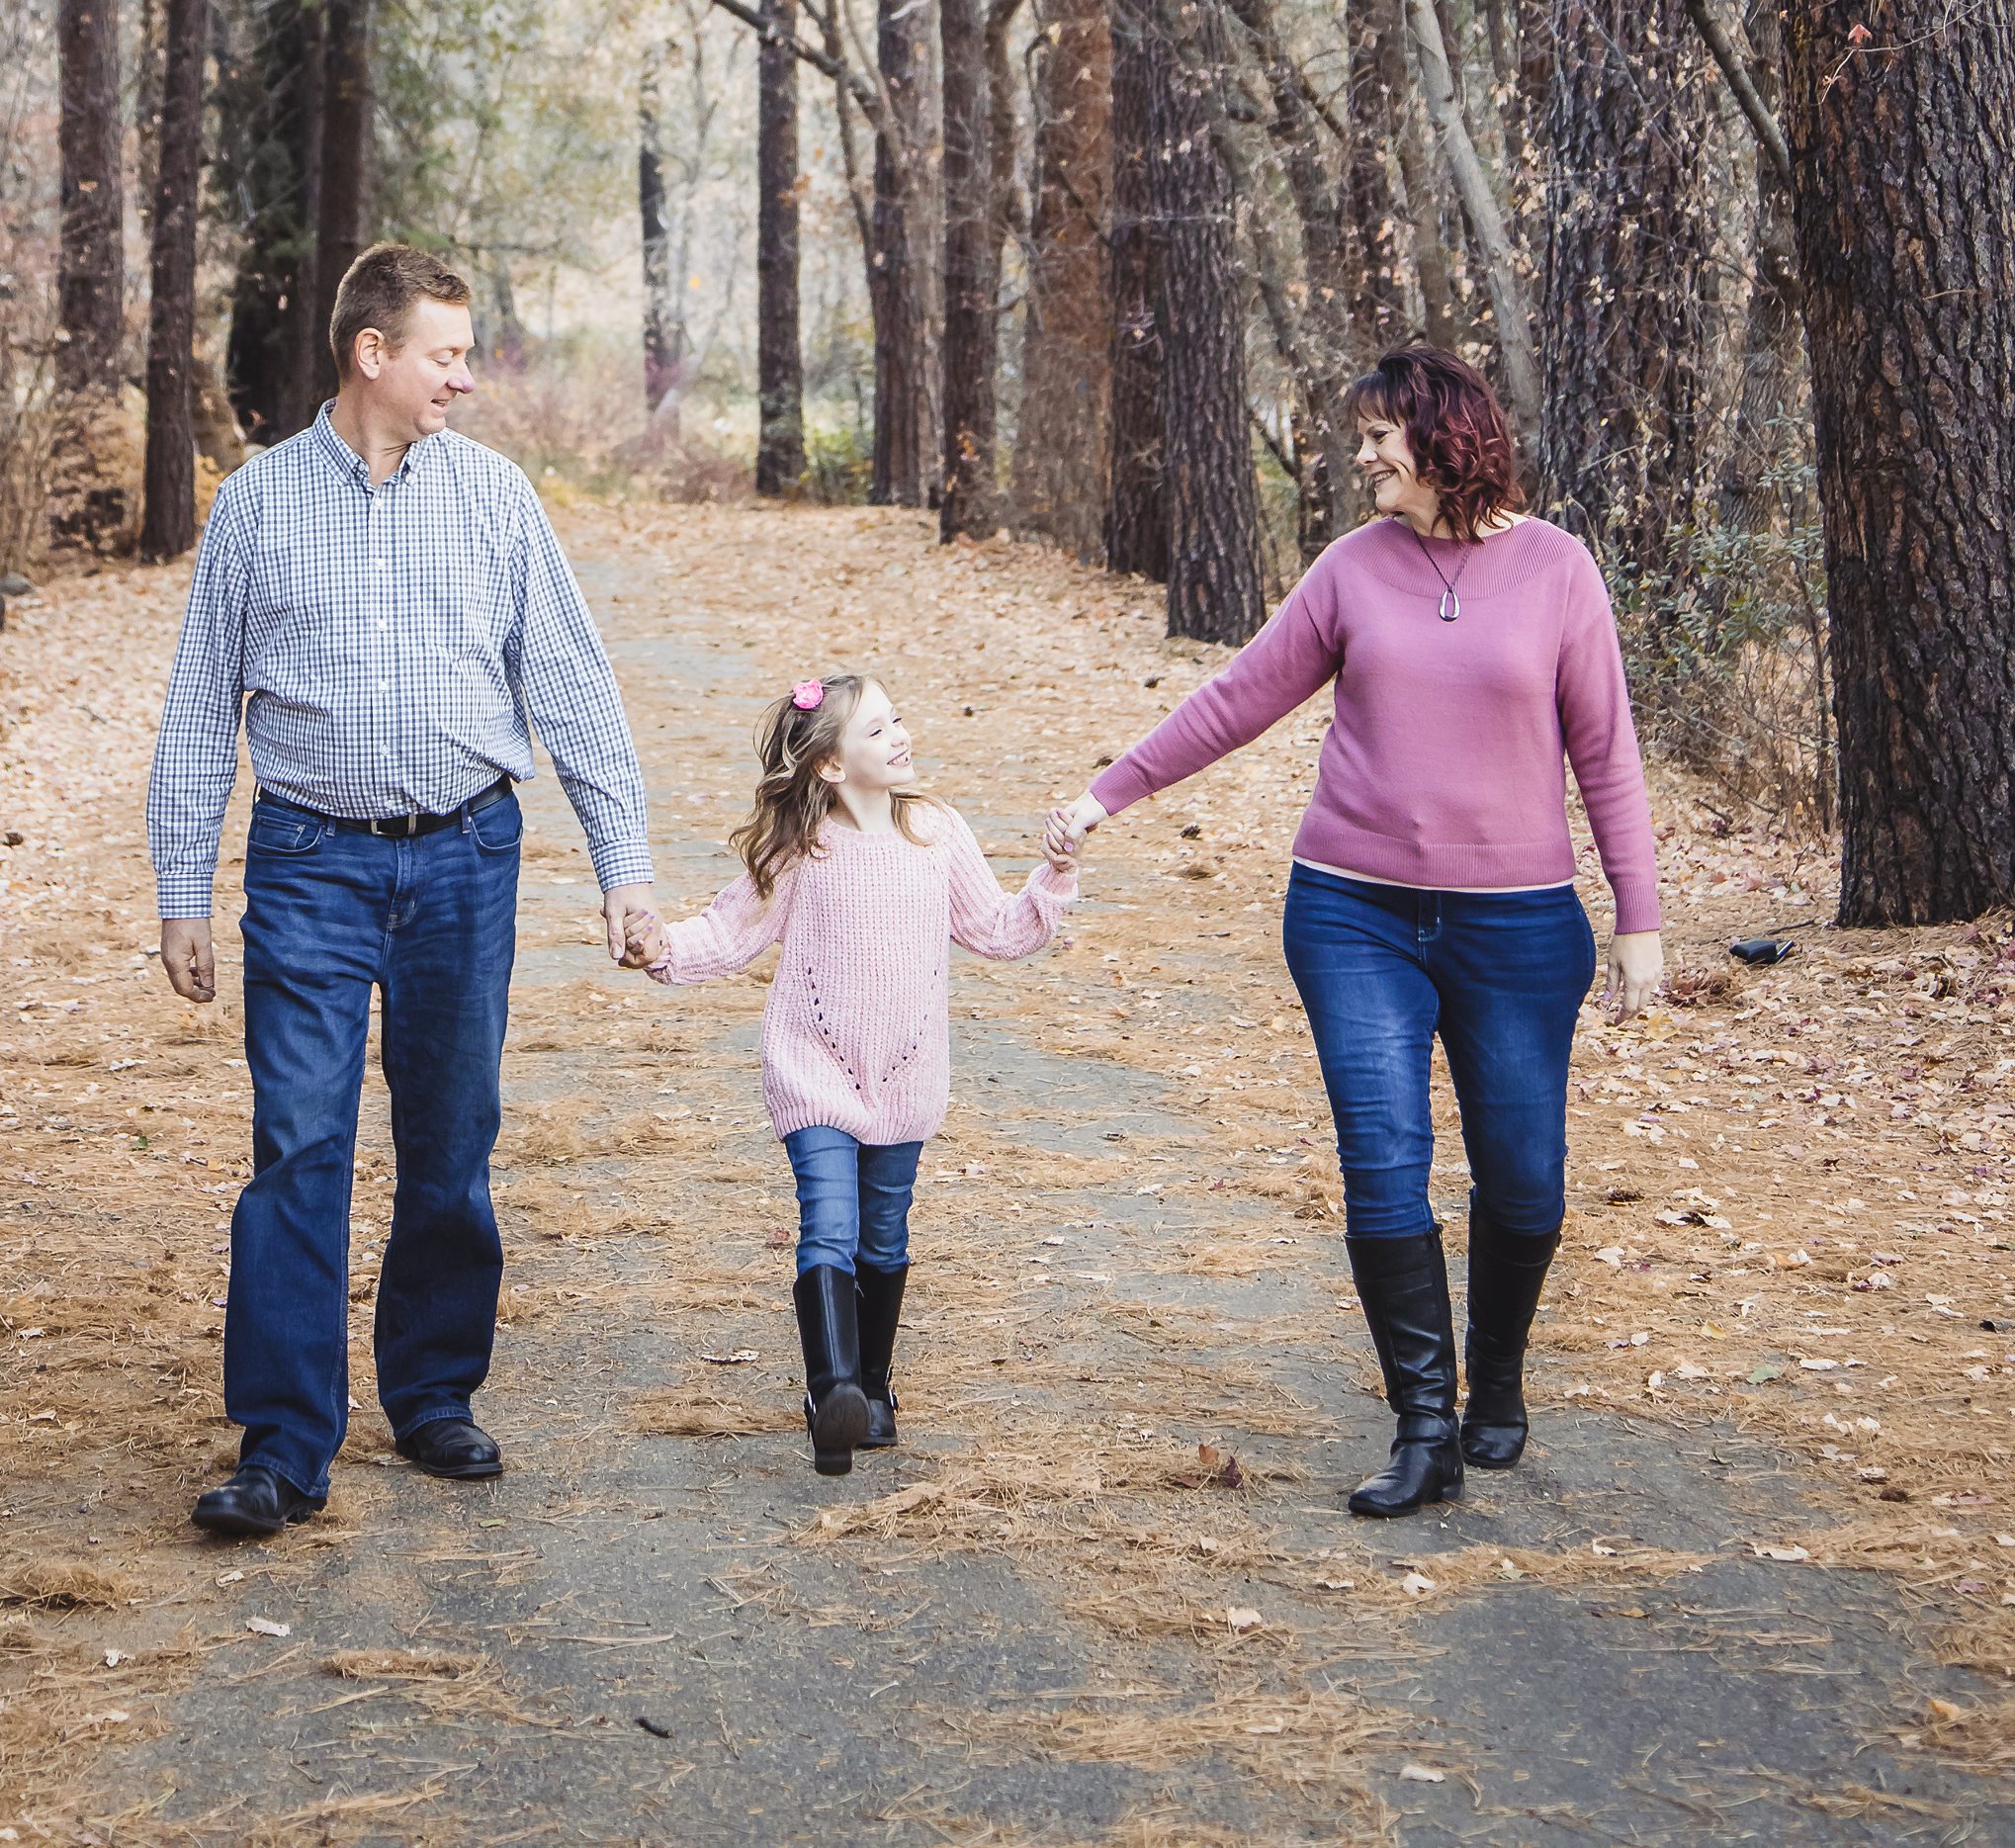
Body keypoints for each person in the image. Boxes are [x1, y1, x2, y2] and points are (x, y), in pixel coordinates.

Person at [1048, 346, 1662, 1518]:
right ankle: (1422, 1425)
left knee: (1525, 1184)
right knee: (1383, 1164)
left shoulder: (1558, 572)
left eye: (1383, 433)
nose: (1364, 452)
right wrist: (1105, 792)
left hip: (1521, 926)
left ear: (1444, 438)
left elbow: (1609, 756)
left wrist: (1641, 917)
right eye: (1364, 433)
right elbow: (1241, 695)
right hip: (1352, 913)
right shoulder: (1352, 570)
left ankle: (1499, 1381)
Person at [146, 241, 660, 1538]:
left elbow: (575, 690)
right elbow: (204, 709)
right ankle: (283, 1442)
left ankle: (433, 1394)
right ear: (373, 355)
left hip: (464, 860)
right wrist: (181, 886)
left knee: (448, 1144)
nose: (465, 380)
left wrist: (625, 869)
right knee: (298, 1149)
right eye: (445, 354)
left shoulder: (496, 501)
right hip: (311, 860)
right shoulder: (258, 506)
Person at [629, 667, 1078, 1473]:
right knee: (829, 1224)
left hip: (907, 1077)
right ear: (831, 765)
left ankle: (873, 1387)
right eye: (877, 729)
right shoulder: (801, 849)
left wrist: (1054, 876)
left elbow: (1000, 931)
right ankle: (830, 1387)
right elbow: (729, 933)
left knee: (884, 1235)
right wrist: (662, 948)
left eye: (897, 719)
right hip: (815, 1074)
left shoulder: (936, 831)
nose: (900, 735)